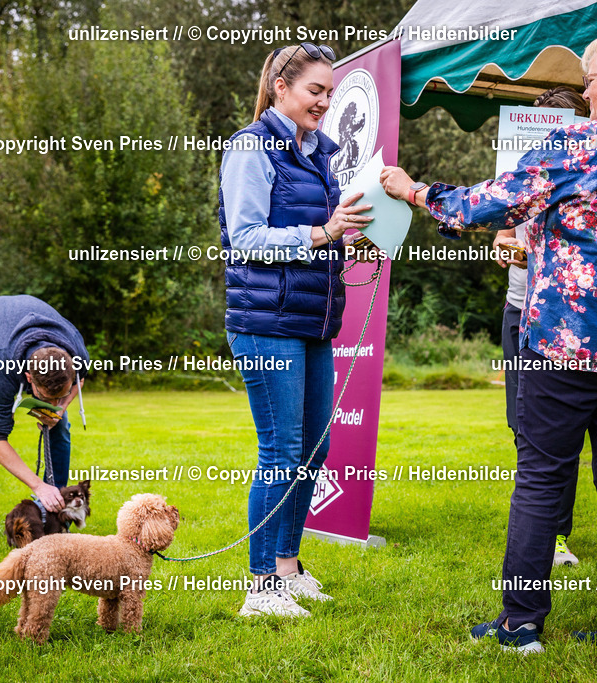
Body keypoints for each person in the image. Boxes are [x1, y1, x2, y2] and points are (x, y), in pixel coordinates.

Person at [382, 27, 597, 653]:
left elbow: (488, 204)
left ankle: (520, 623)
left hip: (568, 340)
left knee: (540, 477)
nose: (586, 91)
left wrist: (416, 191)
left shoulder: (582, 141)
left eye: (591, 77)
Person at [218, 42, 372, 617]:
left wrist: (350, 234)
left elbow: (318, 229)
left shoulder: (315, 154)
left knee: (314, 447)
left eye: (331, 92)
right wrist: (321, 233)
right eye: (316, 90)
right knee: (281, 450)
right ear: (281, 87)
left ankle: (287, 565)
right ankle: (261, 589)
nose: (325, 102)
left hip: (311, 320)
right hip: (265, 324)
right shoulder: (250, 148)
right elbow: (247, 238)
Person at [495, 86, 590, 568]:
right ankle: (535, 529)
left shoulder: (595, 169)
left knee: (561, 431)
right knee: (523, 425)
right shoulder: (521, 174)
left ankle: (556, 536)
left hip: (568, 317)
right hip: (520, 309)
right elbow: (501, 239)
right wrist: (515, 248)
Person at [0, 295, 89, 541]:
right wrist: (38, 486)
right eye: (46, 398)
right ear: (29, 379)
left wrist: (60, 408)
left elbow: (79, 382)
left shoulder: (76, 353)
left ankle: (56, 514)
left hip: (23, 331)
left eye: (58, 396)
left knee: (59, 427)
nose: (51, 405)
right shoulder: (1, 366)